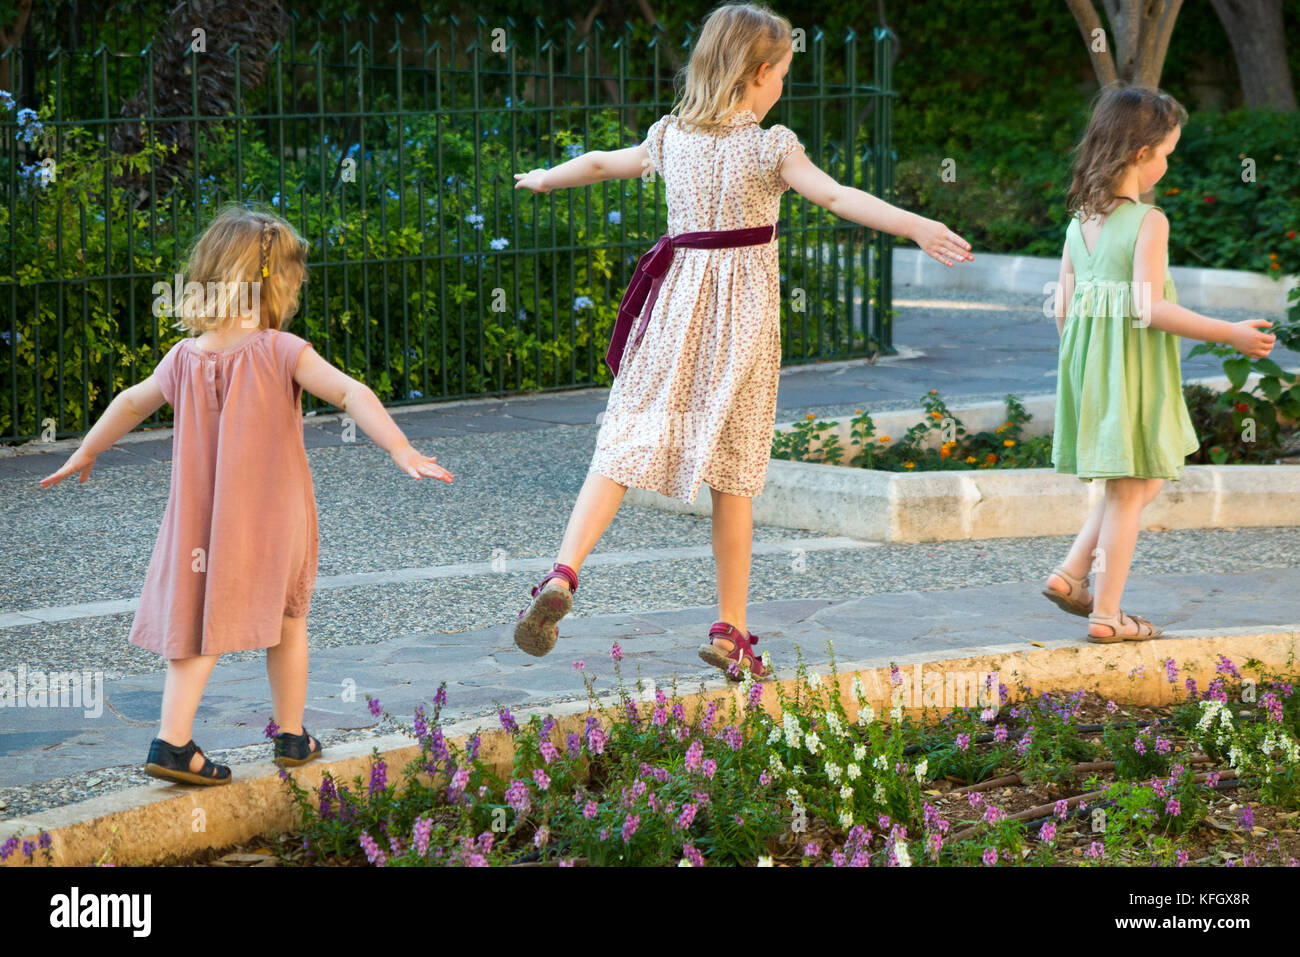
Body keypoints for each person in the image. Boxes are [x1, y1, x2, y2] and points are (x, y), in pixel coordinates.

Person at [511, 2, 972, 679]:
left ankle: (563, 571)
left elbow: (607, 163)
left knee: (622, 441)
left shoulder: (670, 136)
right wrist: (914, 226)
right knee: (735, 473)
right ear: (758, 73)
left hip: (671, 313)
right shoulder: (771, 146)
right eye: (783, 72)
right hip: (741, 327)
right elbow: (839, 197)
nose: (785, 84)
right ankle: (730, 629)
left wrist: (548, 177)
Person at [41, 205, 453, 784]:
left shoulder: (183, 357)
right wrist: (401, 448)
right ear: (274, 283)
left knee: (196, 621)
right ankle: (290, 735)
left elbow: (132, 402)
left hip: (200, 526)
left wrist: (87, 451)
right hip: (271, 518)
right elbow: (350, 393)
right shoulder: (281, 350)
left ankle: (172, 741)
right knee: (287, 617)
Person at [1044, 85, 1275, 642]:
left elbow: (1063, 307)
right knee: (1130, 490)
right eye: (1167, 151)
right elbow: (1151, 309)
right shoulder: (1149, 222)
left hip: (1091, 368)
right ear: (1140, 152)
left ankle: (1071, 574)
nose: (1169, 162)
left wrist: (1087, 363)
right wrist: (1231, 334)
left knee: (1140, 480)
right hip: (1132, 370)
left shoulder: (1081, 220)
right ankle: (1106, 614)